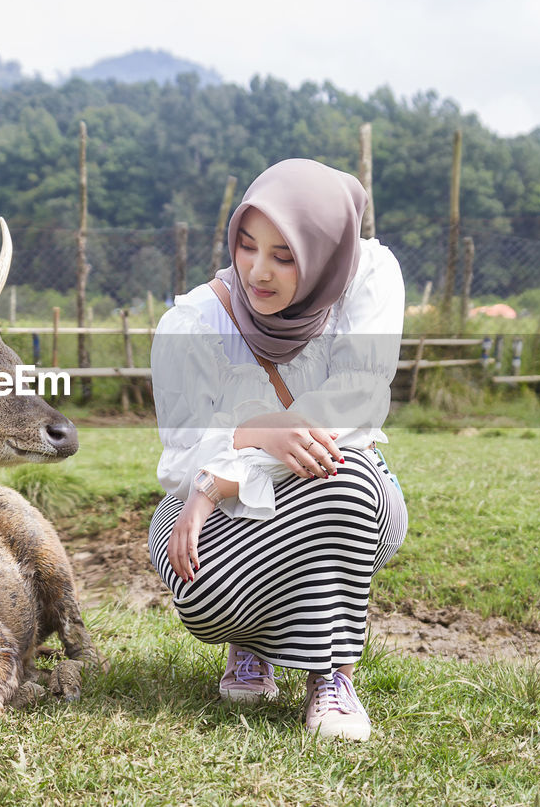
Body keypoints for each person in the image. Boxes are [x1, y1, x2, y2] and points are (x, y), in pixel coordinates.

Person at [147, 158, 407, 741]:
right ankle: (249, 638)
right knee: (201, 589)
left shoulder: (366, 278)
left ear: (324, 253)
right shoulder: (193, 322)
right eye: (246, 246)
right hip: (206, 512)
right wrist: (256, 436)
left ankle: (330, 673)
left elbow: (356, 406)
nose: (258, 272)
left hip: (336, 493)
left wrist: (235, 462)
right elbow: (182, 457)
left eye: (285, 256)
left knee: (345, 484)